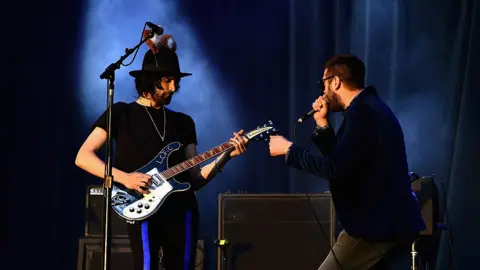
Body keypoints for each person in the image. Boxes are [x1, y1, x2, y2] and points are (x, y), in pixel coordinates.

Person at [75, 34, 249, 270]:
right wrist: (125, 177)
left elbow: (195, 179)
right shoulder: (120, 114)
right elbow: (83, 156)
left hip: (182, 209)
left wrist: (225, 155)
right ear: (150, 80)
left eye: (176, 81)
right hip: (142, 206)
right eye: (167, 80)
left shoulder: (183, 122)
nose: (174, 87)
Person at [268, 54, 425, 269]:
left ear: (335, 81)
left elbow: (334, 168)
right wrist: (322, 124)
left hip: (377, 226)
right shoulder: (365, 108)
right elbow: (342, 159)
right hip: (385, 222)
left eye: (323, 83)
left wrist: (289, 150)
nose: (323, 92)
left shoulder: (363, 113)